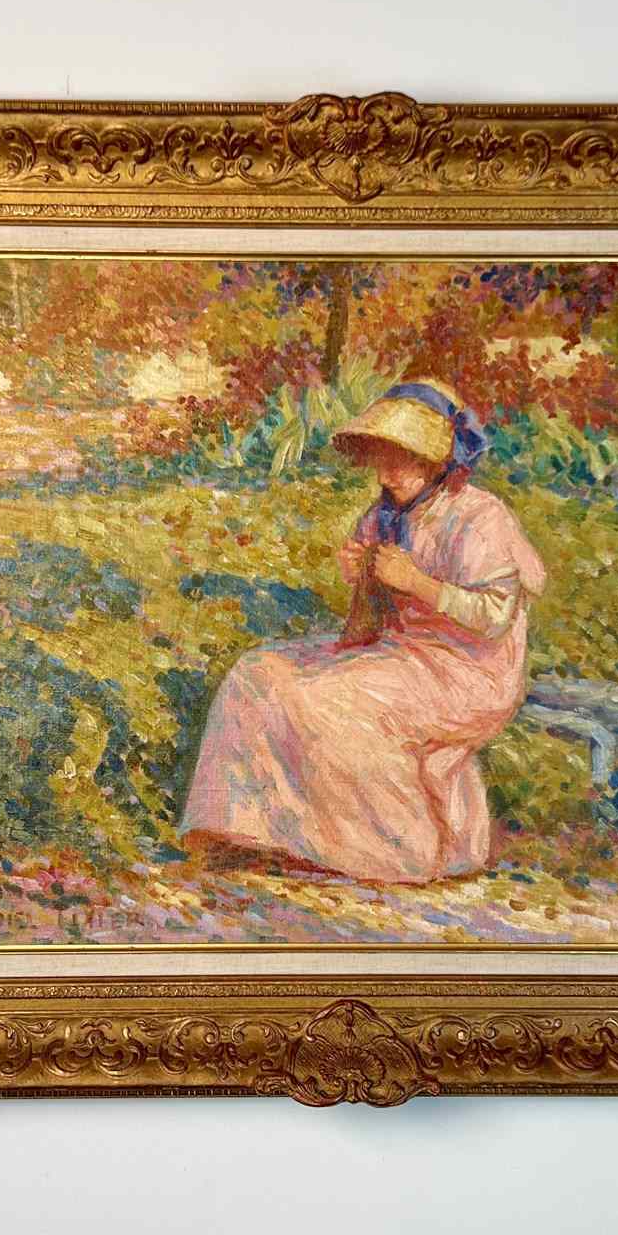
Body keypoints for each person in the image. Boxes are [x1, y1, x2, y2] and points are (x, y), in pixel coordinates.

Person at [179, 377, 547, 884]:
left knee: (332, 699)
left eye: (403, 457)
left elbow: (494, 617)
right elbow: (366, 631)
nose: (388, 470)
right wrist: (364, 581)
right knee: (257, 673)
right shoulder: (381, 518)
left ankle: (398, 852)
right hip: (399, 652)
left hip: (470, 670)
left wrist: (416, 583)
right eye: (381, 456)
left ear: (435, 459)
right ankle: (248, 832)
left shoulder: (479, 517)